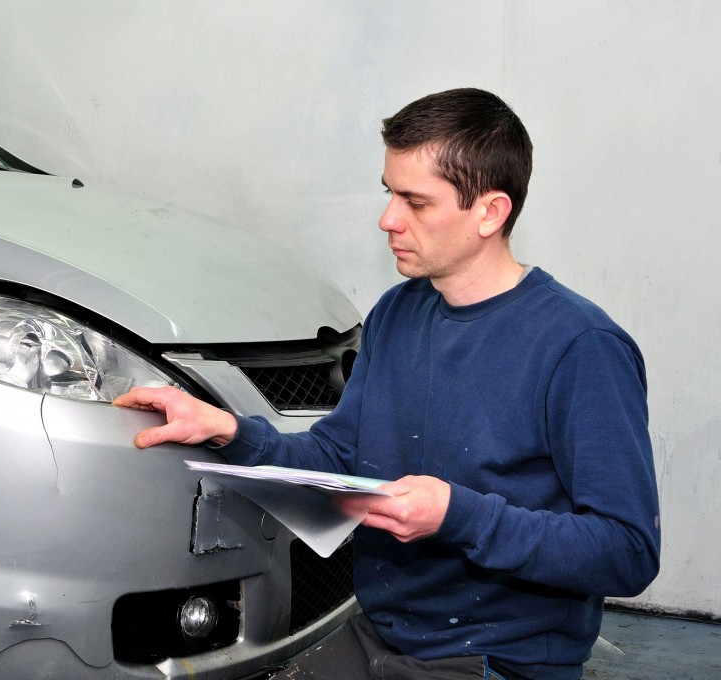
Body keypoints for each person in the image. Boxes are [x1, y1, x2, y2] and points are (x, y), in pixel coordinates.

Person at [113, 87, 660, 680]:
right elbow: (339, 456)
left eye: (416, 202)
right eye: (389, 193)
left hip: (495, 656)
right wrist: (229, 431)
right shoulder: (398, 312)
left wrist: (458, 516)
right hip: (381, 631)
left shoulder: (581, 347)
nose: (388, 220)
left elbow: (627, 551)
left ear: (490, 213)